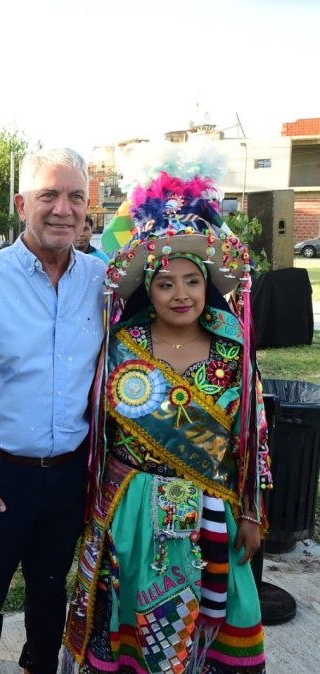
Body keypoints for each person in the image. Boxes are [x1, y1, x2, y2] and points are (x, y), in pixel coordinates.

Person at [62, 142, 271, 674]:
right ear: (146, 291)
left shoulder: (232, 347)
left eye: (193, 280)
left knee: (207, 629)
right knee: (133, 625)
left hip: (213, 514)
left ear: (208, 285)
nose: (181, 294)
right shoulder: (121, 345)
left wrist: (251, 513)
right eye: (165, 283)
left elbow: (254, 438)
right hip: (131, 513)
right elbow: (101, 434)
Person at [0, 147, 106, 673]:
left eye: (75, 197)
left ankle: (38, 666)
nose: (63, 209)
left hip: (69, 474)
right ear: (21, 202)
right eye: (48, 195)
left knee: (52, 590)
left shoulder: (101, 282)